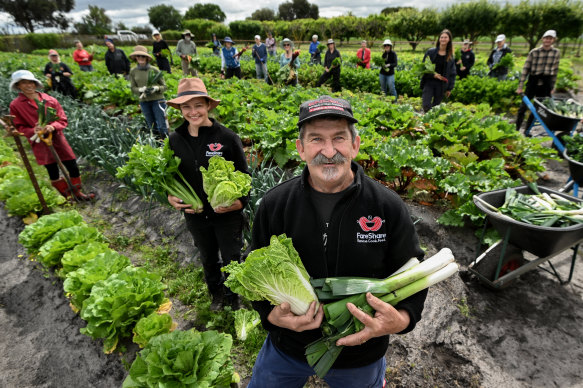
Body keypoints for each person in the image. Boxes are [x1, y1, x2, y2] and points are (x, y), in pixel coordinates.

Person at [246, 95, 426, 387]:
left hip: (359, 352)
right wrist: (272, 317)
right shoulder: (275, 204)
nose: (329, 152)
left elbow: (413, 268)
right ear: (301, 149)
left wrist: (402, 319)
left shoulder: (387, 207)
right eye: (316, 139)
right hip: (288, 346)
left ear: (355, 145)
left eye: (339, 138)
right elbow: (251, 269)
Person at [166, 78, 249, 311]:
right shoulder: (174, 140)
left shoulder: (227, 138)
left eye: (198, 105)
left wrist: (239, 203)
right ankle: (216, 294)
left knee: (232, 257)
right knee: (208, 257)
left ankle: (234, 297)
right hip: (195, 214)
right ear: (180, 110)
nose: (193, 112)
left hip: (227, 215)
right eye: (186, 107)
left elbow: (245, 177)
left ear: (208, 106)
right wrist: (170, 197)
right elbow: (170, 177)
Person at [8, 70, 94, 200]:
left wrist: (52, 126)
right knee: (52, 170)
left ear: (35, 84)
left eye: (30, 82)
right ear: (18, 86)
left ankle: (78, 193)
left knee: (72, 166)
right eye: (23, 83)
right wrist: (33, 130)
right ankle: (68, 197)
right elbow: (19, 126)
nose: (28, 85)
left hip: (57, 138)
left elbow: (62, 120)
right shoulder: (16, 105)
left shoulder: (50, 100)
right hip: (39, 142)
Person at [515, 30, 561, 131]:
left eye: (550, 38)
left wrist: (552, 87)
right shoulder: (534, 52)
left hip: (546, 82)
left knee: (538, 108)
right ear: (542, 39)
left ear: (553, 40)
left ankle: (527, 131)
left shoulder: (556, 53)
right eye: (546, 38)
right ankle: (516, 128)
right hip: (533, 81)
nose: (548, 40)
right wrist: (520, 86)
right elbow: (525, 69)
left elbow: (555, 71)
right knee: (523, 106)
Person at [128, 45, 168, 138]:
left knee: (162, 126)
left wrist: (156, 88)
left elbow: (164, 86)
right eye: (138, 56)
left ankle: (166, 145)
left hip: (157, 101)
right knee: (152, 126)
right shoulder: (133, 71)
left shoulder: (154, 70)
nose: (141, 58)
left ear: (146, 58)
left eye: (143, 56)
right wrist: (140, 90)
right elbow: (133, 88)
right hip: (144, 102)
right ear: (135, 58)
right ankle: (156, 145)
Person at [420, 29, 456, 113]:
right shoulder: (430, 52)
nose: (443, 39)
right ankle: (427, 118)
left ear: (449, 39)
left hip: (441, 85)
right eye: (441, 37)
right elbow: (423, 67)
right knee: (426, 105)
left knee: (436, 107)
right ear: (439, 39)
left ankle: (429, 123)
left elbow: (452, 74)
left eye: (445, 37)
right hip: (429, 81)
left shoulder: (450, 57)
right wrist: (433, 75)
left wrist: (449, 88)